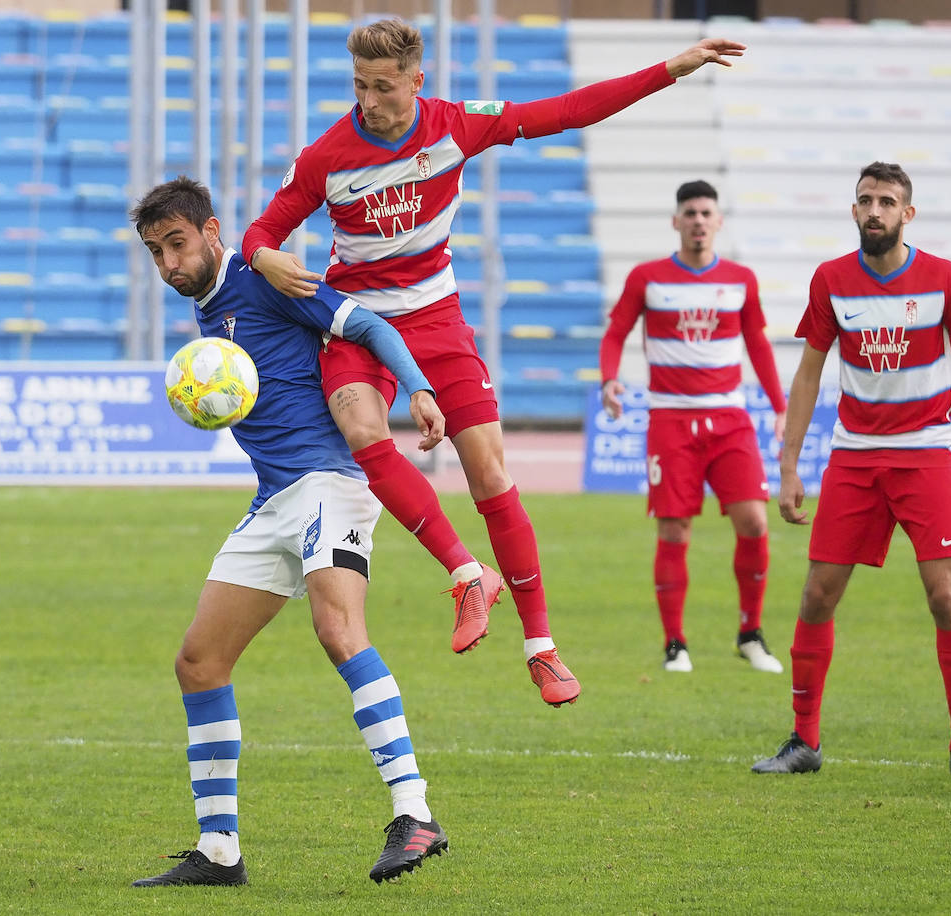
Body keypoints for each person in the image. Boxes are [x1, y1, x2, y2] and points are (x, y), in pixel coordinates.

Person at [242, 17, 746, 706]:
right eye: (359, 85)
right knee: (364, 434)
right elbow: (262, 231)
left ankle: (541, 647)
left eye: (383, 87)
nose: (368, 100)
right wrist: (264, 254)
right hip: (356, 324)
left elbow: (566, 111)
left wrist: (672, 68)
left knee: (490, 471)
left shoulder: (455, 125)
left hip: (438, 320)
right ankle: (464, 573)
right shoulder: (328, 154)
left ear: (417, 82)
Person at [128, 176, 451, 887]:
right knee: (199, 662)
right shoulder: (211, 312)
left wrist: (419, 389)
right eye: (155, 252)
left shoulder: (260, 278)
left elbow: (368, 325)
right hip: (274, 498)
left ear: (213, 232)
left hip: (329, 485)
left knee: (340, 632)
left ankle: (415, 812)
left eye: (177, 244)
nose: (169, 264)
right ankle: (218, 851)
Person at [752, 161, 951, 778]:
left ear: (908, 214)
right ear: (854, 211)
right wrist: (790, 464)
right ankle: (804, 742)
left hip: (928, 452)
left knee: (945, 597)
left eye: (886, 201)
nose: (874, 211)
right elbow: (808, 372)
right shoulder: (831, 280)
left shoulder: (943, 278)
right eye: (864, 201)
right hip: (855, 457)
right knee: (818, 595)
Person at [600, 180, 787, 674]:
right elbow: (616, 331)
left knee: (755, 521)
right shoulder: (648, 277)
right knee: (675, 529)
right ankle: (675, 644)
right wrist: (609, 380)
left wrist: (780, 405)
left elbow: (759, 345)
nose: (699, 220)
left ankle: (750, 633)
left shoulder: (741, 279)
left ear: (718, 221)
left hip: (729, 419)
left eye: (707, 212)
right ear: (676, 221)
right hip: (671, 420)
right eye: (690, 212)